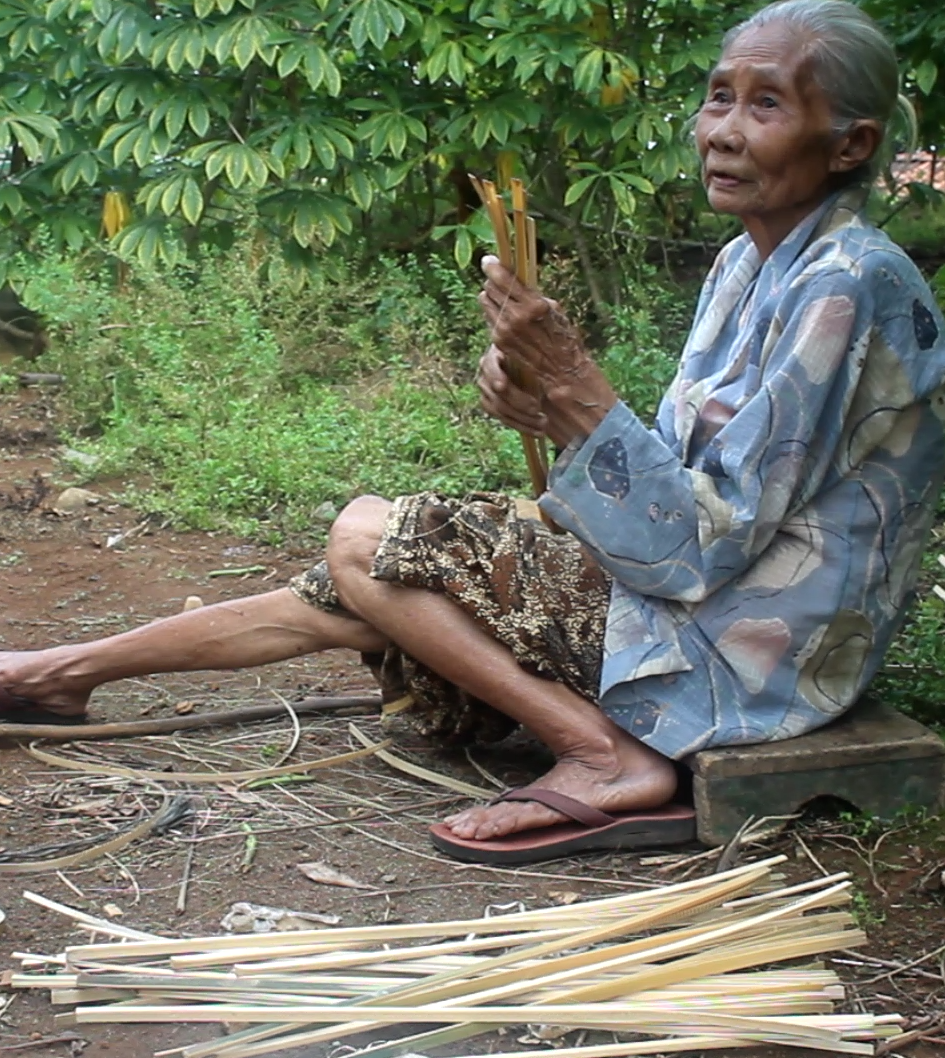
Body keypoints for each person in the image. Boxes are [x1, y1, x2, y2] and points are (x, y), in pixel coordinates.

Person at [2, 0, 944, 864]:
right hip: (694, 591)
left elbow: (703, 546)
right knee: (371, 568)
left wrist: (577, 388)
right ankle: (60, 673)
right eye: (715, 98)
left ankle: (602, 754)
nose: (720, 133)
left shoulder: (846, 283)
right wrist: (551, 408)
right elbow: (683, 474)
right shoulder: (749, 261)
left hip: (751, 646)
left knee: (372, 540)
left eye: (765, 106)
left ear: (848, 143)